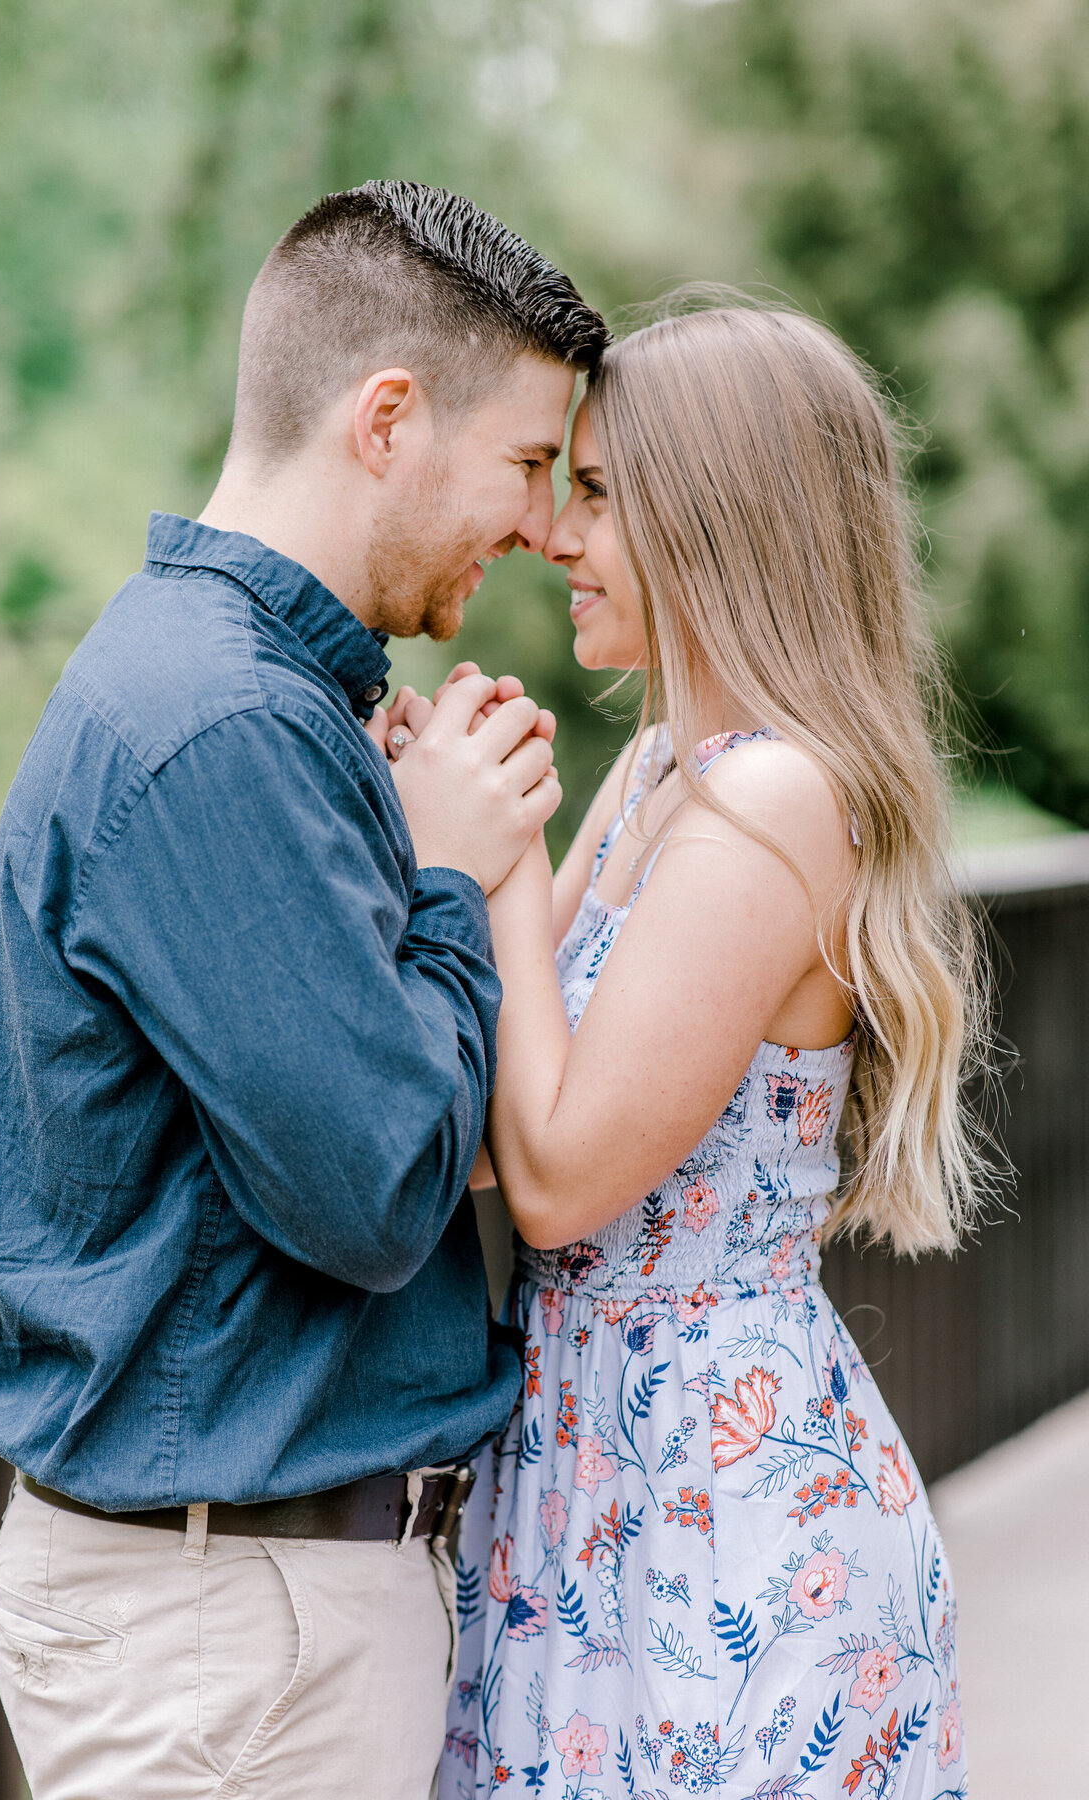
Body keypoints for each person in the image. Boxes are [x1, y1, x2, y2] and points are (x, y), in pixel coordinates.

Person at [0, 180, 608, 1800]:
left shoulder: (253, 697)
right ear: (386, 418)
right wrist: (441, 878)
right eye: (522, 464)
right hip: (225, 1632)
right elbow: (370, 1190)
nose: (540, 525)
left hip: (239, 1608)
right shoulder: (223, 724)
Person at [436, 299, 980, 1798]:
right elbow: (498, 1132)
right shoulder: (664, 773)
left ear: (715, 520)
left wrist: (495, 860)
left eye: (600, 494)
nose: (557, 533)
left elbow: (553, 1186)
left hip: (726, 1519)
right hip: (585, 1480)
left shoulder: (774, 805)